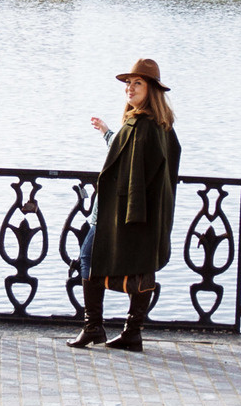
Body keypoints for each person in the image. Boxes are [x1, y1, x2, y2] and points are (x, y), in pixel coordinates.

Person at [70, 58, 182, 352]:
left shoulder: (142, 125)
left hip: (119, 212)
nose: (130, 89)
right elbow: (131, 156)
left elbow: (136, 172)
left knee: (88, 259)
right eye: (128, 84)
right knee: (141, 267)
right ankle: (131, 332)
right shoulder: (159, 125)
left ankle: (94, 327)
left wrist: (130, 215)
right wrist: (108, 132)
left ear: (152, 90)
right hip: (140, 212)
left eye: (138, 83)